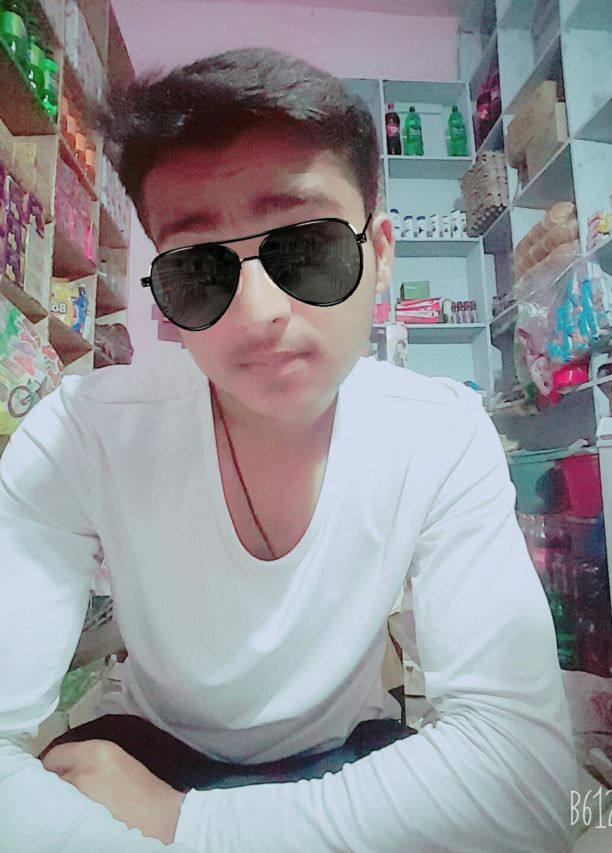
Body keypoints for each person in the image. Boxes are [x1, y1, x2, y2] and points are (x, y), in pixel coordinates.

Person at [0, 47, 577, 851]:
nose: (258, 311)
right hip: (147, 752)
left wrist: (191, 826)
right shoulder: (83, 433)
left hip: (342, 761)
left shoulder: (439, 433)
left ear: (380, 254)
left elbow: (525, 781)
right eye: (199, 269)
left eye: (306, 247)